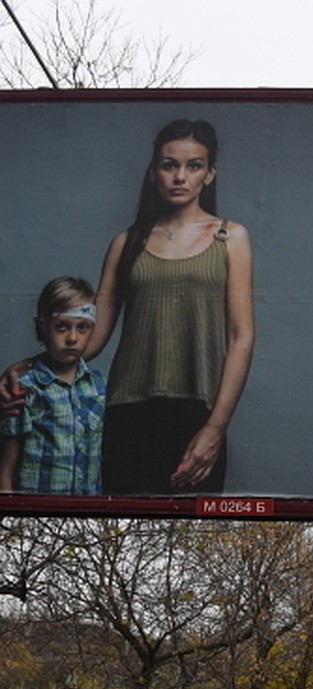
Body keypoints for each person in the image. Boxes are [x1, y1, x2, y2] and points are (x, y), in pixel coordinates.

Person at [2, 118, 253, 494]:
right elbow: (93, 333)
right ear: (154, 172)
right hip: (126, 413)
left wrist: (216, 428)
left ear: (210, 173)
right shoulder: (126, 243)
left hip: (198, 414)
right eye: (169, 165)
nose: (180, 176)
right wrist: (23, 368)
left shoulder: (230, 238)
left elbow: (241, 337)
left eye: (194, 165)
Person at [0, 277, 106, 496]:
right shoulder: (26, 385)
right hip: (36, 508)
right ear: (43, 327)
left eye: (82, 327)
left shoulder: (98, 386)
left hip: (86, 511)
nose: (72, 337)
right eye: (62, 327)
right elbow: (7, 465)